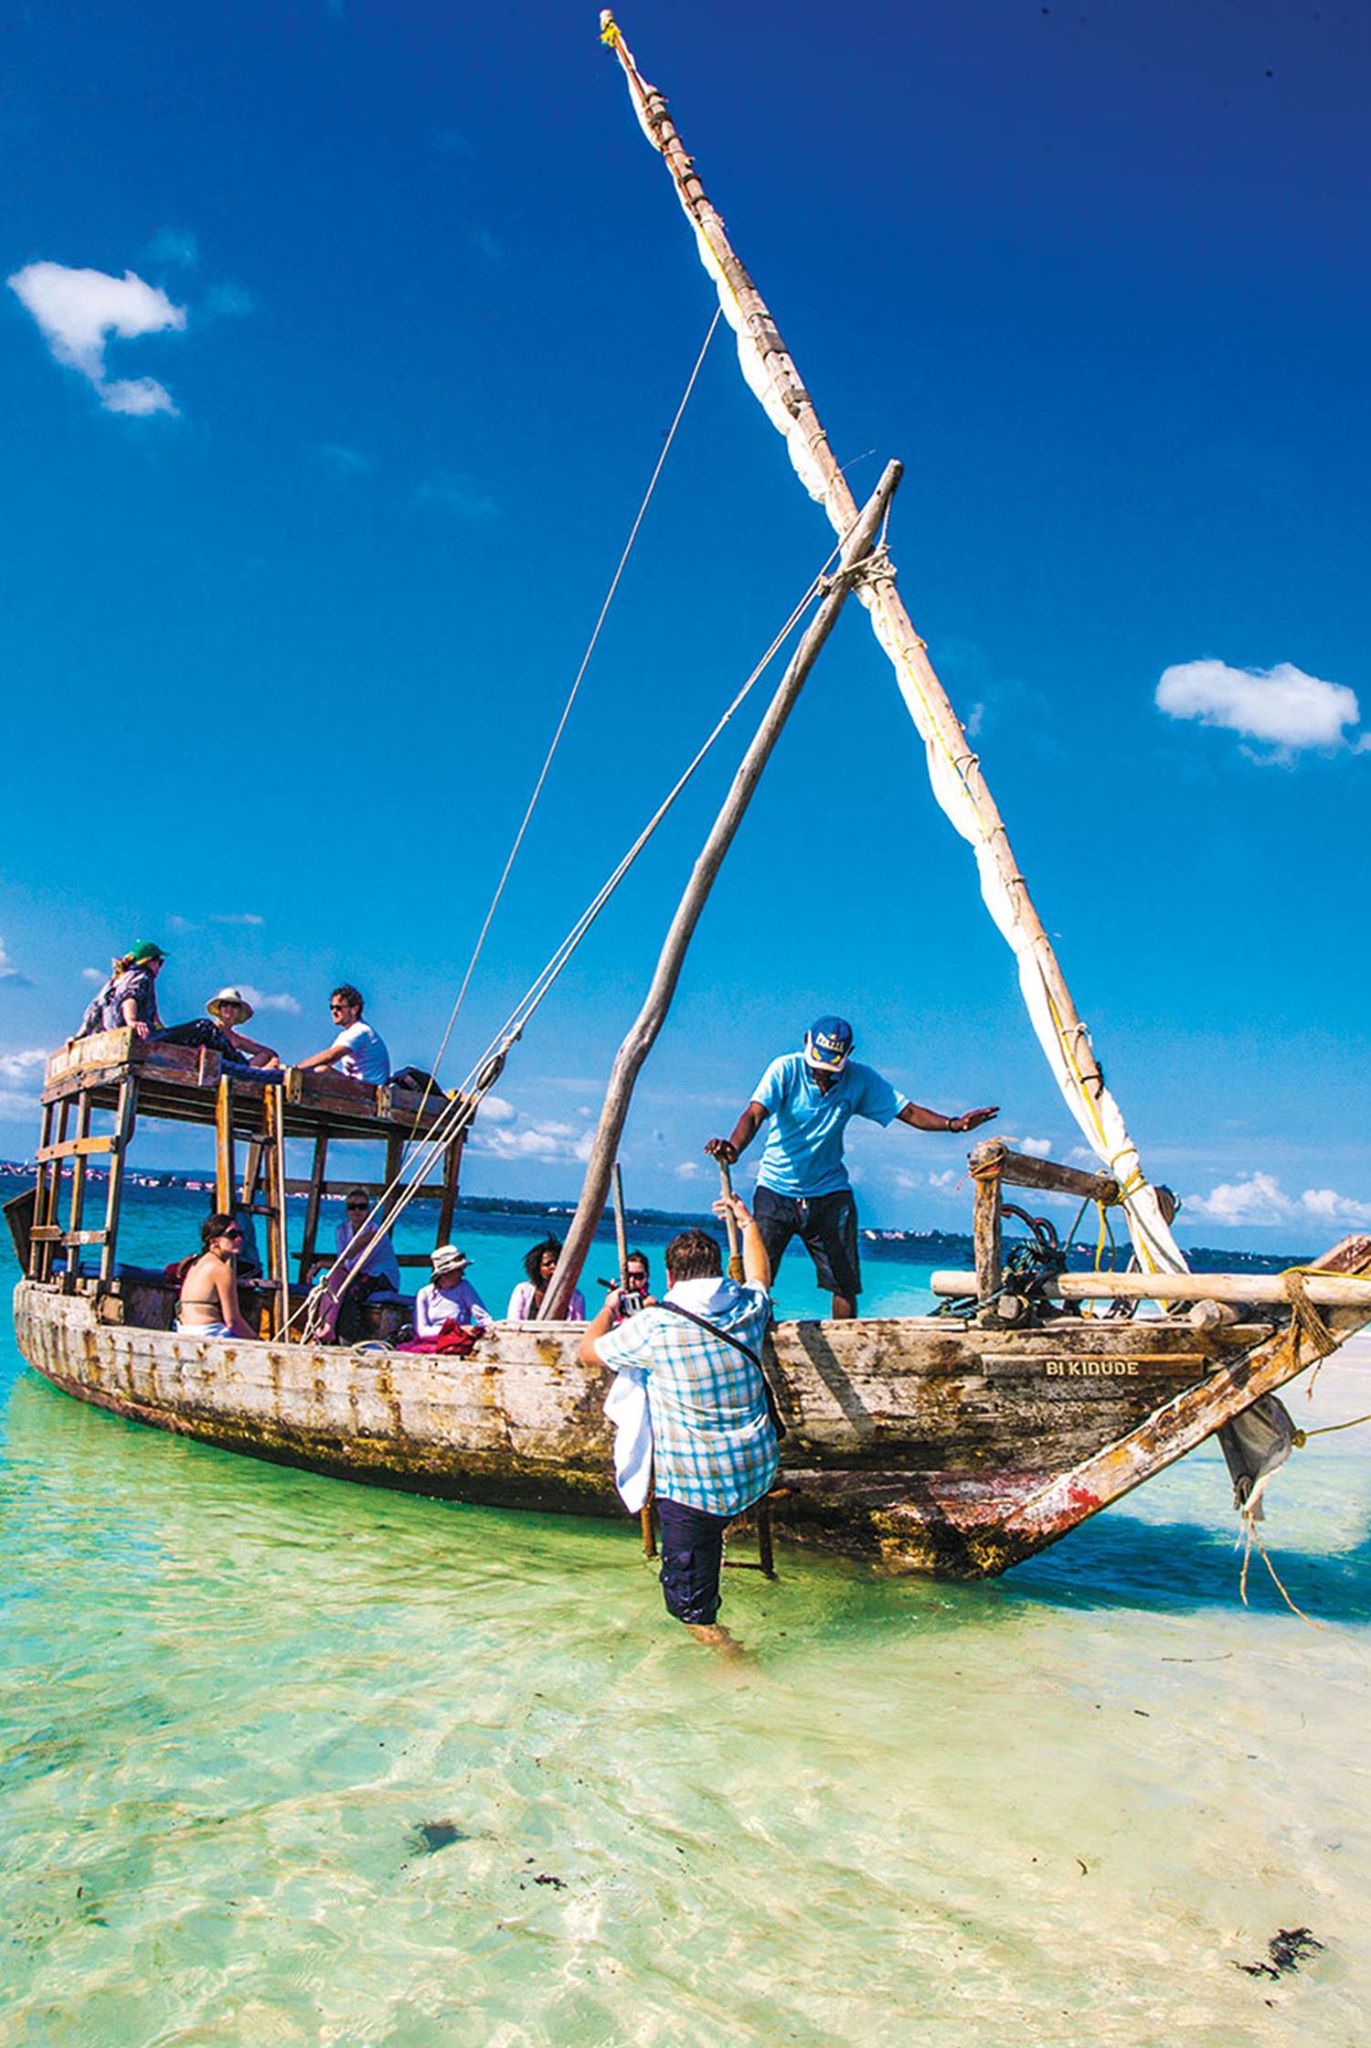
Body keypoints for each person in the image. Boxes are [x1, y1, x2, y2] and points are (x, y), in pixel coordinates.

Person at [580, 1192, 779, 1649]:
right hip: (756, 1468)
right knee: (713, 1524)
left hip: (696, 1485)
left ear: (669, 1276)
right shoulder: (748, 1309)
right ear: (715, 1271)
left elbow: (587, 1352)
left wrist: (611, 1309)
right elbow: (759, 1276)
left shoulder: (655, 1326)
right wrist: (748, 1224)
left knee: (689, 1607)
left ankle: (732, 1660)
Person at [706, 1014, 998, 1320]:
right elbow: (754, 1114)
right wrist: (733, 1148)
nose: (822, 1074)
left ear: (848, 1055)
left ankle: (846, 1351)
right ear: (807, 1042)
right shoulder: (785, 1069)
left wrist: (954, 1124)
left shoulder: (860, 1079)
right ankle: (753, 1344)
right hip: (776, 1190)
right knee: (757, 1280)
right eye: (817, 1065)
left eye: (830, 1067)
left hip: (829, 1194)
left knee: (844, 1285)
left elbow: (908, 1111)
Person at [77, 945, 259, 1066]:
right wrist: (132, 1021)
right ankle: (243, 1067)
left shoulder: (112, 983)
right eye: (159, 962)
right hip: (138, 1042)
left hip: (121, 1042)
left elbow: (92, 1016)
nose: (160, 967)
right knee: (205, 1027)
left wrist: (78, 1040)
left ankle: (241, 1065)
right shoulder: (142, 975)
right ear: (149, 961)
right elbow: (130, 997)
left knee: (188, 1036)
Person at [312, 1187, 401, 1342]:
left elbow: (353, 1264)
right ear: (347, 1210)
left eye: (362, 1207)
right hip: (359, 1275)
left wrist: (322, 1264)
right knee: (329, 1289)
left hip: (381, 1277)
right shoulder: (342, 1230)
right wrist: (323, 1267)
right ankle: (326, 1328)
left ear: (369, 1210)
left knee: (350, 1292)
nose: (357, 1211)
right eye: (352, 1207)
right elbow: (343, 1262)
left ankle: (348, 1340)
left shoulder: (376, 1232)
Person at [176, 1212, 256, 1339]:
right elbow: (232, 1321)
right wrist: (257, 1341)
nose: (239, 1239)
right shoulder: (222, 1270)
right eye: (232, 1235)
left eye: (241, 1234)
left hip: (184, 1329)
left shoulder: (196, 1264)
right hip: (208, 1332)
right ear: (214, 1241)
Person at [295, 985, 390, 1084]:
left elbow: (330, 1056)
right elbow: (329, 1060)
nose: (334, 1012)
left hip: (368, 1089)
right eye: (331, 1008)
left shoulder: (360, 1031)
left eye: (338, 1008)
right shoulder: (347, 1034)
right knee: (318, 1070)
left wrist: (295, 1069)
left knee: (321, 1071)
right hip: (359, 1086)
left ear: (354, 1010)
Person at [414, 1244, 493, 1337]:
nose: (463, 1274)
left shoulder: (464, 1287)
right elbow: (422, 1331)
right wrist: (457, 1329)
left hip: (459, 1340)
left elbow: (484, 1318)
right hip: (432, 1342)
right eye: (459, 1270)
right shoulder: (425, 1293)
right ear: (445, 1274)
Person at [507, 1238, 586, 1322]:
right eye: (547, 1264)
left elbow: (578, 1326)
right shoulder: (522, 1291)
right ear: (537, 1268)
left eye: (558, 1263)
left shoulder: (576, 1297)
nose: (554, 1267)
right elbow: (513, 1322)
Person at [205, 988, 280, 1069]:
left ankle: (250, 1076)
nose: (229, 1008)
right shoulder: (208, 1030)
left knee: (264, 1056)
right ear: (219, 1009)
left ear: (239, 1011)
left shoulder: (236, 1038)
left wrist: (267, 1067)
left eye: (234, 1005)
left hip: (233, 1074)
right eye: (225, 1004)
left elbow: (270, 1053)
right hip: (209, 1071)